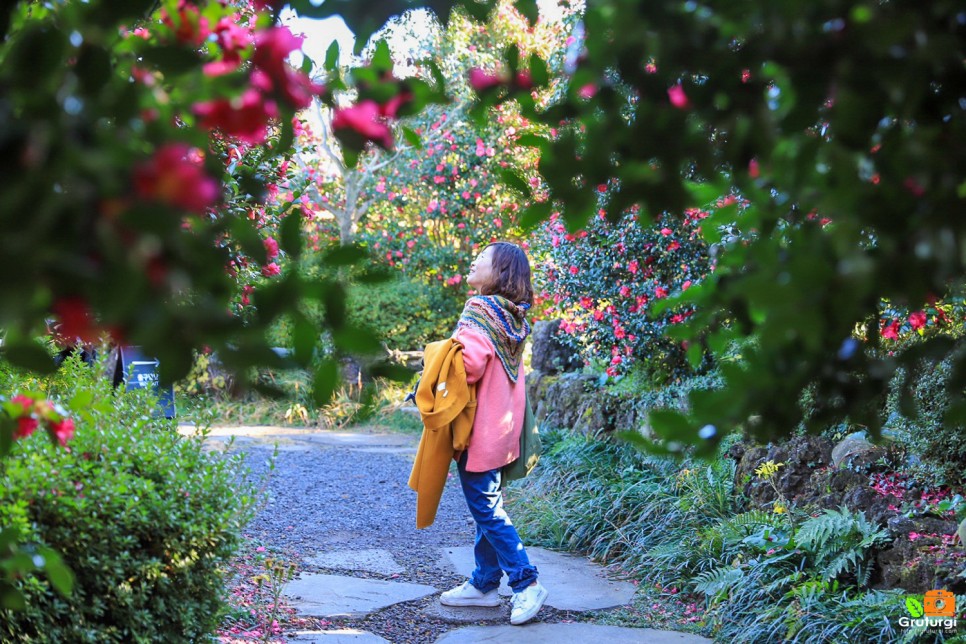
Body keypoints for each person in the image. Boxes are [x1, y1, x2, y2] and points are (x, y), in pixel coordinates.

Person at [438, 241, 549, 626]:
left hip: (480, 431)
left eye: (481, 258)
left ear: (499, 272)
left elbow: (465, 366)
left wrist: (432, 371)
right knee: (489, 505)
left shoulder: (480, 309)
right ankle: (485, 583)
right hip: (506, 428)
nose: (474, 260)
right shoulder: (513, 316)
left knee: (486, 508)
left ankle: (525, 582)